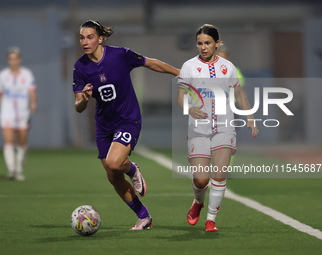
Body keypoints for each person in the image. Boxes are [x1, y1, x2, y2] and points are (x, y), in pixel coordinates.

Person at [73, 20, 180, 230]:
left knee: (115, 163)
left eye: (90, 37)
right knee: (113, 176)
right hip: (104, 126)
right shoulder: (80, 66)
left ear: (100, 38)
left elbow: (151, 63)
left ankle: (132, 169)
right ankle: (144, 216)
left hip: (127, 119)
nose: (85, 42)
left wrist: (178, 72)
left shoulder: (120, 55)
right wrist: (84, 99)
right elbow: (78, 106)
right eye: (82, 38)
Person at [177, 24, 258, 232]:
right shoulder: (188, 66)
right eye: (200, 43)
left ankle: (211, 219)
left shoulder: (228, 67)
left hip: (224, 127)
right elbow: (180, 97)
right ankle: (198, 201)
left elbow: (238, 93)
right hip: (198, 129)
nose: (203, 47)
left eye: (207, 43)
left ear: (216, 43)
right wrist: (189, 108)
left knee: (219, 176)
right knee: (201, 179)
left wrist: (250, 116)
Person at [0, 47, 37, 181]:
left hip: (23, 113)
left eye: (16, 59)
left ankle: (19, 166)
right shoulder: (2, 76)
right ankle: (13, 170)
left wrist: (33, 103)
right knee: (9, 141)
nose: (13, 61)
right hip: (7, 112)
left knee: (22, 143)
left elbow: (32, 91)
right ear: (8, 61)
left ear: (19, 60)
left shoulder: (27, 74)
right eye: (11, 59)